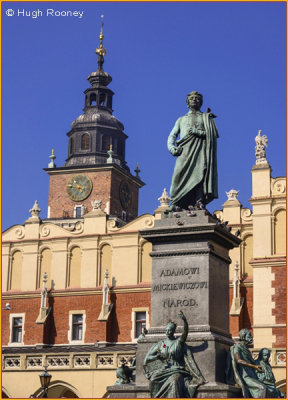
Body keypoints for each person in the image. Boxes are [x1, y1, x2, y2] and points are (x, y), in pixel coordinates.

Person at [167, 91, 218, 210]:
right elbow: (172, 135)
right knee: (177, 176)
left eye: (197, 98)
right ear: (187, 102)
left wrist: (198, 132)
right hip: (184, 152)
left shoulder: (206, 118)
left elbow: (212, 135)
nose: (194, 100)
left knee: (200, 175)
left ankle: (198, 201)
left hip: (200, 151)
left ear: (201, 102)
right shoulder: (181, 119)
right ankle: (176, 202)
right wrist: (172, 148)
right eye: (192, 98)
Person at [143, 311, 205, 398]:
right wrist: (157, 356)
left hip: (176, 369)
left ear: (173, 331)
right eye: (166, 330)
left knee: (175, 381)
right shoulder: (161, 344)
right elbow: (149, 357)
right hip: (163, 369)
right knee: (153, 380)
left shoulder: (178, 342)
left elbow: (185, 333)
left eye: (170, 330)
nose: (167, 332)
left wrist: (185, 321)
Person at [228, 329, 282, 398]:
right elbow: (238, 360)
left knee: (272, 390)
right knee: (262, 388)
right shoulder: (237, 347)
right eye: (249, 335)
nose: (251, 337)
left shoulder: (247, 350)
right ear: (243, 337)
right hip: (245, 376)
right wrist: (254, 366)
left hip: (252, 375)